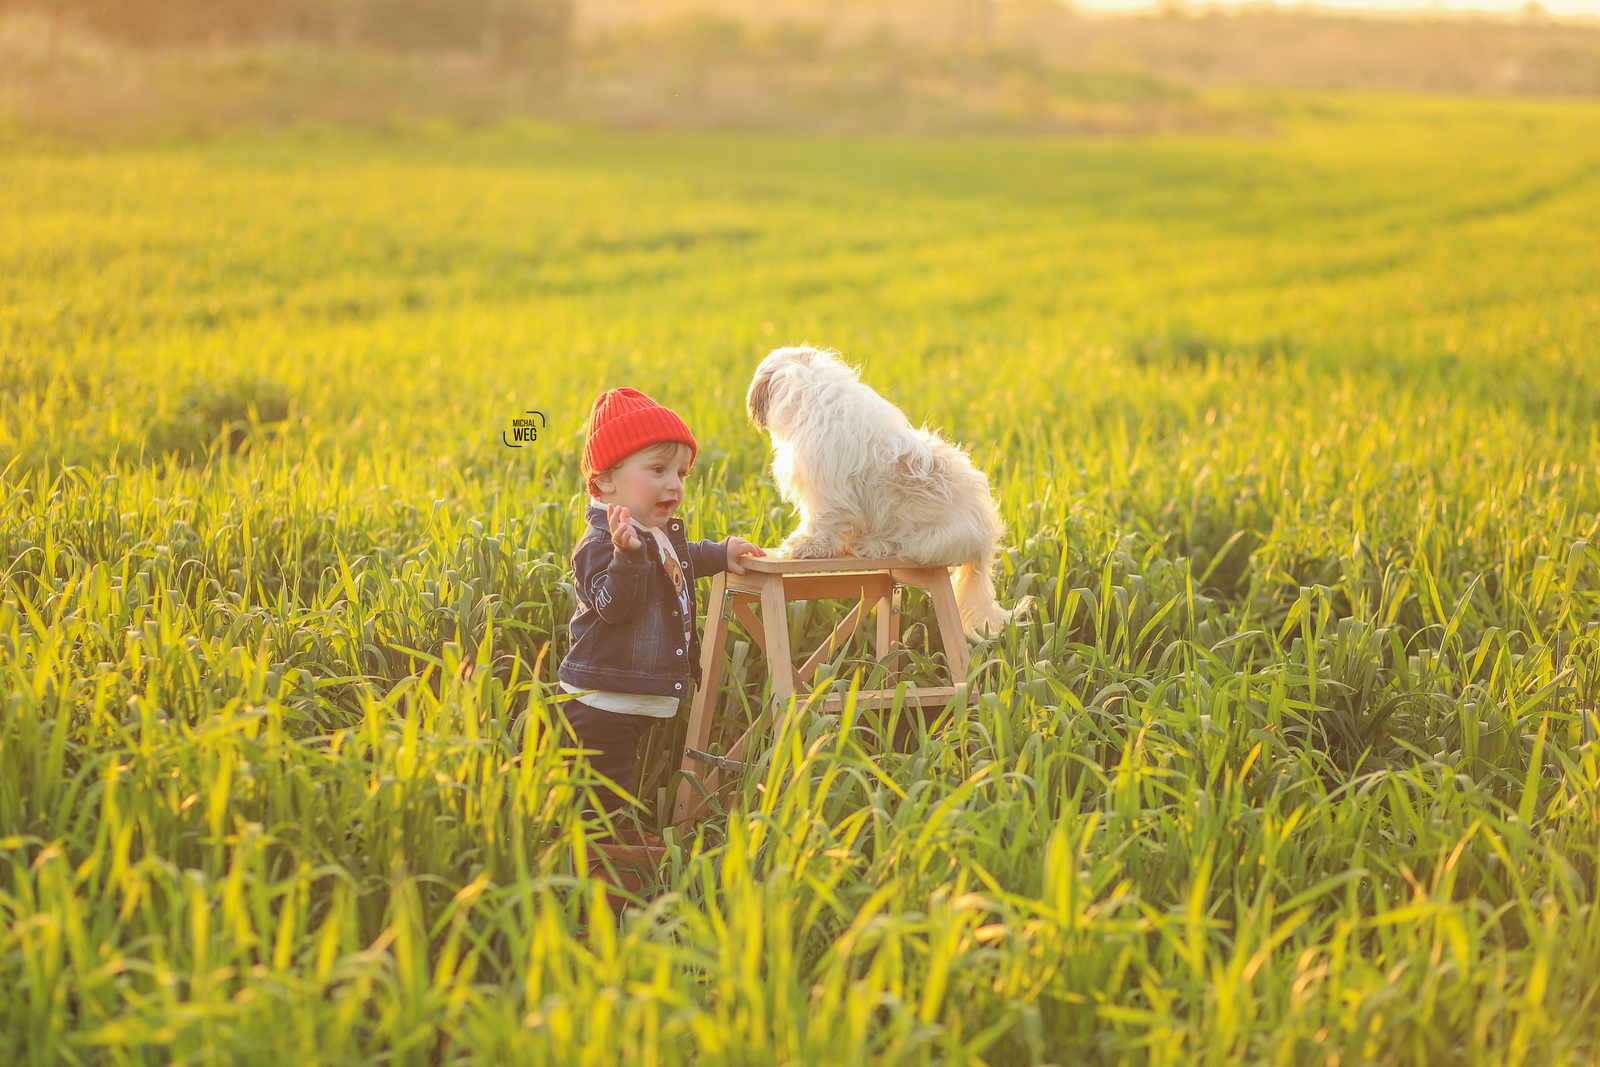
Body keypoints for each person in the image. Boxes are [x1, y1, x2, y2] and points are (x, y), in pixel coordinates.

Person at [556, 387, 765, 819]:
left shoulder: (654, 531)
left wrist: (718, 553)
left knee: (618, 784)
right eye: (657, 469)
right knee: (600, 796)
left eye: (682, 473)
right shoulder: (599, 545)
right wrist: (627, 557)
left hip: (629, 694)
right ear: (606, 480)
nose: (674, 484)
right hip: (601, 699)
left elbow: (678, 561)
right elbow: (612, 606)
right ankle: (600, 865)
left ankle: (614, 851)